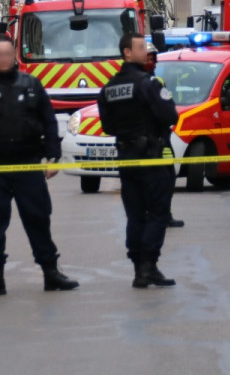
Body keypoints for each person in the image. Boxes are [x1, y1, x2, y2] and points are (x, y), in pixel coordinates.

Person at [0, 34, 79, 298]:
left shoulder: (32, 85)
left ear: (14, 56)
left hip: (27, 166)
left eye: (7, 54)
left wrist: (52, 157)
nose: (3, 59)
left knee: (38, 220)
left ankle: (51, 272)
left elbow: (48, 121)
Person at [98, 32, 179, 288]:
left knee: (134, 215)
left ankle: (137, 268)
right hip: (151, 158)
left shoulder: (109, 88)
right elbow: (170, 115)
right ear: (127, 53)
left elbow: (108, 125)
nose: (147, 52)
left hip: (126, 158)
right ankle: (148, 265)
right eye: (141, 47)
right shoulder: (148, 83)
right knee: (157, 211)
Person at [144, 41, 184, 229]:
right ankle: (154, 214)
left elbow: (169, 109)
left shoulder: (158, 82)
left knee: (168, 177)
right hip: (148, 141)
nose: (150, 61)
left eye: (153, 58)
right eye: (147, 58)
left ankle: (164, 213)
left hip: (162, 141)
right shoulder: (146, 83)